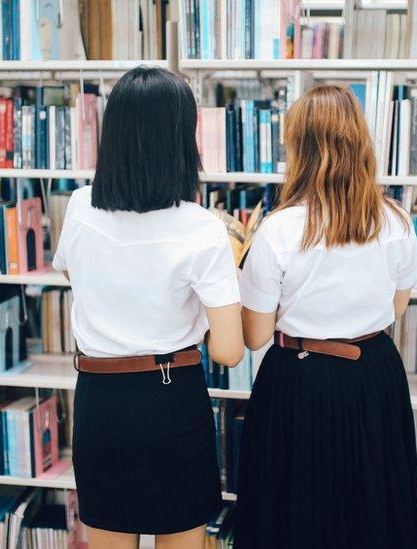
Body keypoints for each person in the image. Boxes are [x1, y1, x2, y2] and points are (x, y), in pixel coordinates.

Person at [52, 66, 244, 549]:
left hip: (99, 400)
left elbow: (79, 277)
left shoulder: (78, 206)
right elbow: (229, 352)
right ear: (181, 139)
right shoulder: (203, 228)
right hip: (170, 401)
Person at [233, 85, 417, 548]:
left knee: (296, 515)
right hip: (373, 375)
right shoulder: (396, 221)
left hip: (298, 382)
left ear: (299, 149)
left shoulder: (278, 229)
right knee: (371, 512)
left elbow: (255, 336)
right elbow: (395, 310)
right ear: (360, 144)